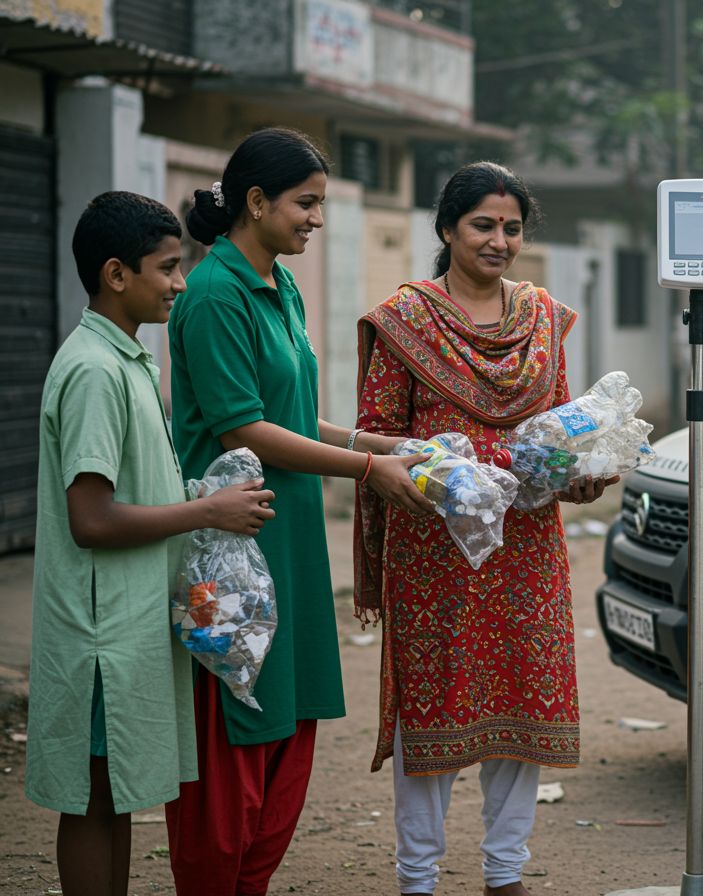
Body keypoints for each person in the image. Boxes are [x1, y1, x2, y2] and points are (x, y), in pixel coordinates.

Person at [167, 128, 431, 896]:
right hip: (233, 547)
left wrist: (381, 440)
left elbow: (291, 411)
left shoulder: (278, 284)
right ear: (256, 202)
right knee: (234, 740)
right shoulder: (215, 293)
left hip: (289, 538)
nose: (317, 218)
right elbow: (242, 428)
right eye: (305, 203)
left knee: (286, 727)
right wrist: (367, 469)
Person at [355, 161, 615, 896]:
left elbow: (559, 434)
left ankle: (506, 873)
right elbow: (375, 440)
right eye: (483, 225)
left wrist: (584, 468)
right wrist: (452, 470)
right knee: (430, 711)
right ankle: (418, 879)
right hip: (434, 550)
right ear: (447, 230)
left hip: (526, 548)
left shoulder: (542, 320)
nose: (499, 240)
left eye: (511, 228)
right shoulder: (404, 322)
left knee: (521, 701)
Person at [26, 191, 276, 896]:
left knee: (119, 790)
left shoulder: (125, 360)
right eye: (167, 268)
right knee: (94, 796)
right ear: (116, 274)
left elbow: (125, 492)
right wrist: (208, 514)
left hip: (128, 621)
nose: (180, 283)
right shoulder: (95, 372)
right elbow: (92, 519)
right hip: (100, 630)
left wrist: (195, 498)